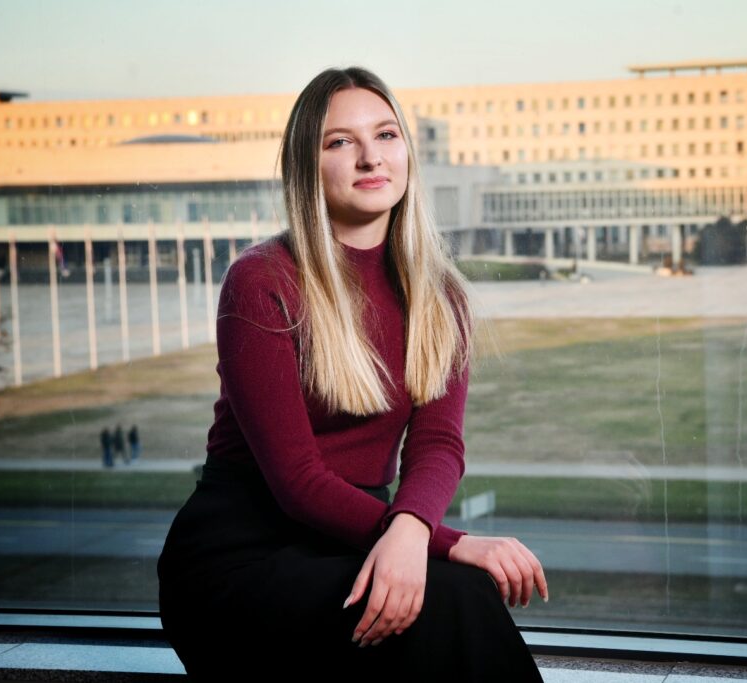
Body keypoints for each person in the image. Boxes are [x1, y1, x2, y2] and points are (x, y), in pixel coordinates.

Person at [157, 67, 547, 681]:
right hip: (241, 559)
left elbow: (439, 444)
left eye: (386, 135)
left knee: (456, 604)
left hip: (359, 536)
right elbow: (296, 480)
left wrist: (411, 531)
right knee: (458, 598)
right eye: (340, 142)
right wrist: (444, 540)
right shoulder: (262, 281)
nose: (370, 156)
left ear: (407, 154)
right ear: (307, 166)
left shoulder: (441, 295)